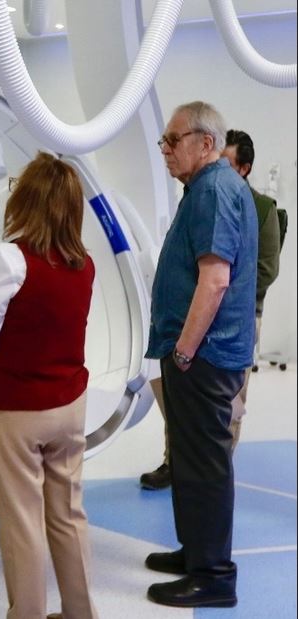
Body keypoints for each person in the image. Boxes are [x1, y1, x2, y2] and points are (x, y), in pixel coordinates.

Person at [0, 153, 99, 619]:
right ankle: (80, 612)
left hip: (17, 407)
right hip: (70, 404)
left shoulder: (9, 259)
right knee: (68, 515)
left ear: (26, 199)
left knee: (21, 523)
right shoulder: (86, 265)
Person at [143, 101, 257, 609]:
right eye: (164, 141)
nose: (164, 149)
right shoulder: (205, 189)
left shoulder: (213, 189)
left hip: (204, 357)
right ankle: (196, 552)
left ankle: (213, 574)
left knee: (205, 464)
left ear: (205, 143)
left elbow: (214, 282)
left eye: (173, 139)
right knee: (190, 460)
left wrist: (185, 351)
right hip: (200, 355)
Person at [139, 127, 279, 491]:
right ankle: (177, 461)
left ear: (244, 169)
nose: (219, 167)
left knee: (226, 407)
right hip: (197, 320)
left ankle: (216, 468)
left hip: (235, 320)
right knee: (182, 403)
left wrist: (190, 343)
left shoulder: (257, 207)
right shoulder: (201, 197)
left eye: (228, 163)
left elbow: (261, 270)